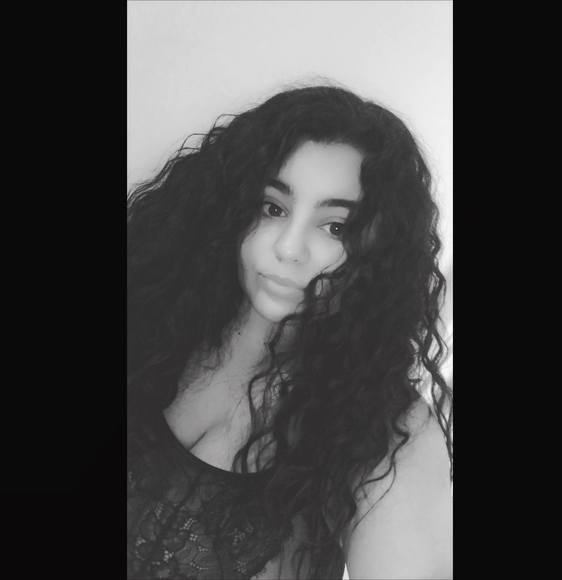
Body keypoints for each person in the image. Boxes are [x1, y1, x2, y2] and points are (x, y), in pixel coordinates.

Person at [127, 84, 453, 579]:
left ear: (380, 251)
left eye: (336, 227)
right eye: (273, 208)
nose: (288, 247)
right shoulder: (148, 323)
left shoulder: (390, 434)